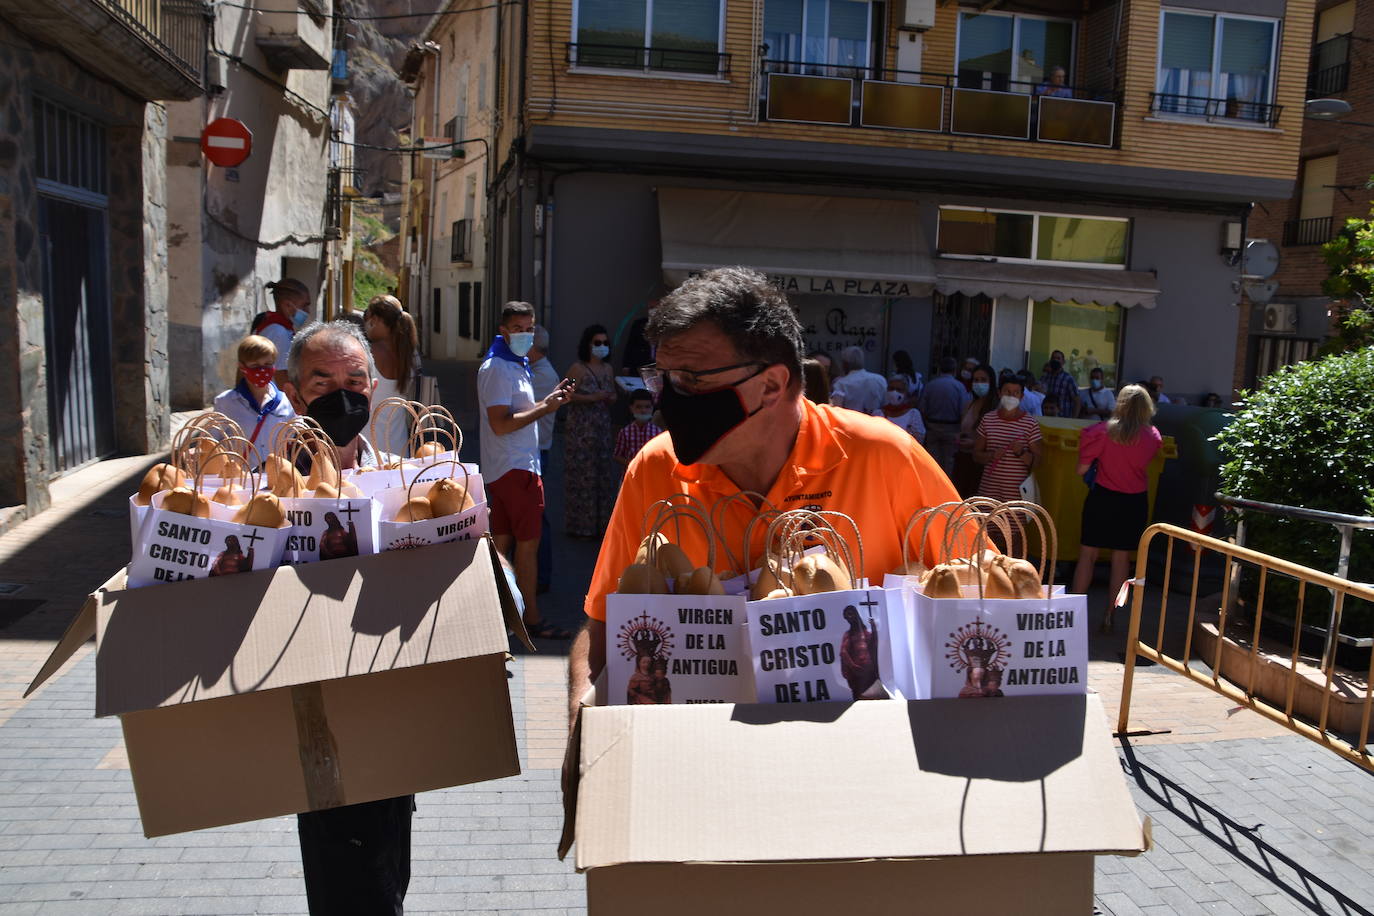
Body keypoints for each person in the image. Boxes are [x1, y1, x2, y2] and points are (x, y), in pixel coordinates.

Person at [567, 267, 965, 724]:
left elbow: (990, 604)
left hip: (855, 770)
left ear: (772, 385)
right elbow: (602, 626)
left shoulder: (886, 456)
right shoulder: (656, 468)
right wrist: (582, 735)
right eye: (664, 377)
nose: (669, 401)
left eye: (692, 381)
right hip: (699, 768)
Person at [281, 320, 412, 916]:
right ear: (293, 391)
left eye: (355, 379)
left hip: (392, 704)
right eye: (322, 380)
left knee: (389, 868)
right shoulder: (261, 491)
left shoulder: (401, 480)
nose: (343, 393)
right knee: (348, 884)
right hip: (318, 715)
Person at [477, 302, 575, 639]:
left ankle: (503, 618)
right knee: (526, 548)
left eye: (529, 328)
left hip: (512, 466)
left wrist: (550, 403)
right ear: (504, 330)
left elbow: (515, 414)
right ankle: (531, 619)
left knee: (503, 547)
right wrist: (544, 408)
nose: (524, 334)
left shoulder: (515, 364)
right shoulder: (499, 367)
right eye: (518, 328)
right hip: (515, 468)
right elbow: (501, 425)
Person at [1071, 385, 1163, 630]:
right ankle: (1111, 614)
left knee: (1087, 556)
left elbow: (1081, 470)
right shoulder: (1153, 436)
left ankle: (1073, 614)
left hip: (1102, 498)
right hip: (1133, 502)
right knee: (1121, 561)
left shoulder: (1101, 432)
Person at [563, 324, 619, 538]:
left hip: (602, 427)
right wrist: (590, 398)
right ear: (588, 344)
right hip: (581, 428)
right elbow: (565, 394)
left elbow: (612, 393)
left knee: (602, 475)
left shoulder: (608, 369)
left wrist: (611, 398)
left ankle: (600, 526)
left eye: (605, 343)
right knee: (581, 475)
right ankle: (580, 527)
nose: (602, 347)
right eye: (598, 343)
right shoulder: (577, 368)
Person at [212, 334, 295, 467]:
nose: (262, 370)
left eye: (267, 364)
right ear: (242, 367)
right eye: (255, 365)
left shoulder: (285, 402)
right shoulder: (225, 402)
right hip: (239, 481)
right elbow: (211, 442)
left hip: (274, 480)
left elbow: (295, 439)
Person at [362, 295, 420, 456]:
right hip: (399, 448)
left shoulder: (369, 352)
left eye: (367, 317)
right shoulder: (410, 354)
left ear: (376, 319)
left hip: (370, 449)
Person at [973, 376, 1042, 503]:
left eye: (1016, 392)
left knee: (1014, 523)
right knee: (986, 522)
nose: (1011, 396)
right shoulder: (988, 419)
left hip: (1017, 495)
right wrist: (992, 455)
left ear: (1022, 396)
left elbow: (1037, 462)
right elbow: (976, 455)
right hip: (989, 491)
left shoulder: (1030, 423)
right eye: (1007, 391)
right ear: (999, 393)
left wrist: (1021, 453)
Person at [529, 325, 559, 593]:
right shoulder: (538, 371)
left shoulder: (542, 375)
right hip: (536, 449)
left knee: (536, 516)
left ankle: (540, 577)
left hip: (538, 450)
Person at [918, 356, 972, 476]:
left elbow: (922, 408)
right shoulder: (959, 387)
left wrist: (927, 424)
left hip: (932, 427)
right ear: (955, 370)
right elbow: (963, 410)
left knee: (932, 461)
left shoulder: (930, 385)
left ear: (939, 369)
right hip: (951, 428)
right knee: (949, 462)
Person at [253, 278, 312, 387]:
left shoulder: (272, 325)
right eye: (305, 305)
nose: (308, 311)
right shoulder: (279, 332)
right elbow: (281, 376)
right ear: (287, 305)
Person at [954, 363, 998, 496]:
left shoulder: (996, 407)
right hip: (963, 460)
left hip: (981, 466)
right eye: (976, 380)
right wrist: (960, 436)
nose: (979, 384)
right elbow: (964, 428)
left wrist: (974, 443)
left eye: (983, 380)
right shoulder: (970, 404)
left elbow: (995, 439)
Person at [839, 606, 883, 700]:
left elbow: (873, 645)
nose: (850, 617)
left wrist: (874, 628)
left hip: (869, 671)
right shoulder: (848, 635)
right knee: (859, 697)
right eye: (847, 615)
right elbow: (843, 652)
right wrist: (853, 666)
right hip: (856, 674)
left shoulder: (865, 632)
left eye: (851, 614)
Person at [829, 345, 887, 414]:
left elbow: (837, 410)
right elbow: (886, 405)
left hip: (851, 423)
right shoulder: (880, 379)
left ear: (845, 364)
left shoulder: (841, 384)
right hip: (877, 422)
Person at [615, 388, 662, 468]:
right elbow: (617, 455)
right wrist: (632, 464)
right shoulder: (625, 432)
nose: (643, 410)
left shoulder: (658, 433)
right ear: (631, 408)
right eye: (638, 407)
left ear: (652, 408)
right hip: (631, 475)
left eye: (647, 407)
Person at [874, 374, 926, 443]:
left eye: (899, 390)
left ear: (906, 393)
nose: (894, 392)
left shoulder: (913, 415)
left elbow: (919, 440)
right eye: (891, 388)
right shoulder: (878, 413)